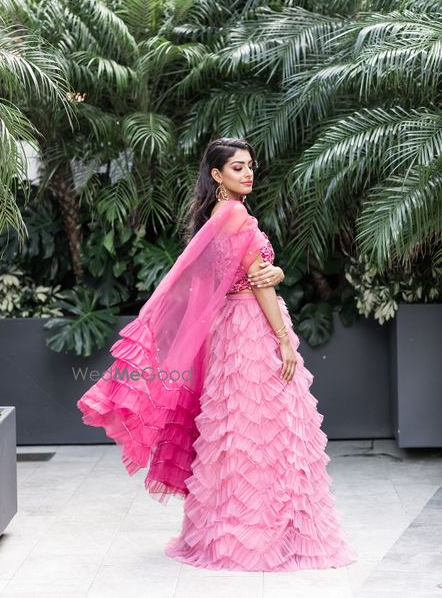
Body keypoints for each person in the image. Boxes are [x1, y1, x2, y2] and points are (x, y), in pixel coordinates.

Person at [77, 137, 358, 572]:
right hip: (252, 329)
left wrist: (275, 271)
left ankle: (229, 530)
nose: (248, 174)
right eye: (237, 168)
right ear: (216, 175)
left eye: (250, 166)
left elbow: (239, 277)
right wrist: (283, 338)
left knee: (235, 429)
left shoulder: (216, 215)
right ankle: (265, 531)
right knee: (267, 427)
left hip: (229, 328)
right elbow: (259, 282)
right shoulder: (237, 215)